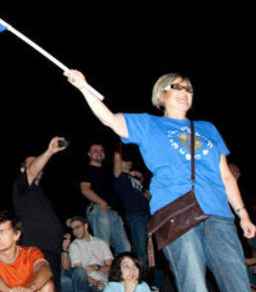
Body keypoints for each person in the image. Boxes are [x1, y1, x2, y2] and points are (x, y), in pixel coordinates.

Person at [65, 70, 256, 291]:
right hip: (176, 212)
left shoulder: (207, 128)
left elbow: (225, 176)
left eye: (189, 89)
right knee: (193, 283)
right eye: (177, 87)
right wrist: (83, 87)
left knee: (237, 281)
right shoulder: (149, 124)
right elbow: (110, 119)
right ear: (161, 94)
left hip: (219, 213)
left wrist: (243, 216)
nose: (185, 93)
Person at [13, 136, 67, 292]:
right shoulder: (21, 188)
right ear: (23, 170)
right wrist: (50, 151)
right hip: (36, 250)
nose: (39, 167)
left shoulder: (41, 195)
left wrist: (61, 237)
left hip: (53, 251)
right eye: (32, 164)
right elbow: (31, 172)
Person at [0, 211, 55, 292]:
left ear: (17, 235)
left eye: (2, 232)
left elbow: (45, 269)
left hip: (27, 290)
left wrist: (31, 288)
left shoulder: (30, 252)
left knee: (48, 285)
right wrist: (9, 291)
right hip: (4, 291)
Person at [78, 142, 131, 255]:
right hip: (99, 210)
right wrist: (101, 202)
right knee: (103, 246)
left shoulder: (108, 171)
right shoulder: (87, 170)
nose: (99, 153)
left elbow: (118, 168)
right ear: (89, 154)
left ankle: (120, 272)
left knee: (124, 247)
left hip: (114, 212)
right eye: (95, 150)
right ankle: (101, 272)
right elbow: (85, 189)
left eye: (101, 150)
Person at [112, 145, 151, 270]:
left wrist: (147, 194)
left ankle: (149, 280)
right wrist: (120, 141)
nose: (128, 162)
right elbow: (117, 158)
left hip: (146, 215)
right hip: (135, 215)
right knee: (140, 250)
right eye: (125, 160)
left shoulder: (135, 178)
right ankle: (141, 281)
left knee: (149, 249)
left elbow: (146, 196)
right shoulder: (120, 177)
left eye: (129, 161)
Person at [62, 216, 113, 292]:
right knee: (78, 271)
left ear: (85, 226)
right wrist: (95, 282)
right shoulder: (74, 246)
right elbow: (79, 272)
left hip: (104, 283)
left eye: (77, 227)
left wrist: (98, 268)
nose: (75, 231)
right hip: (88, 283)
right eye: (73, 229)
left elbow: (112, 268)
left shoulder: (101, 243)